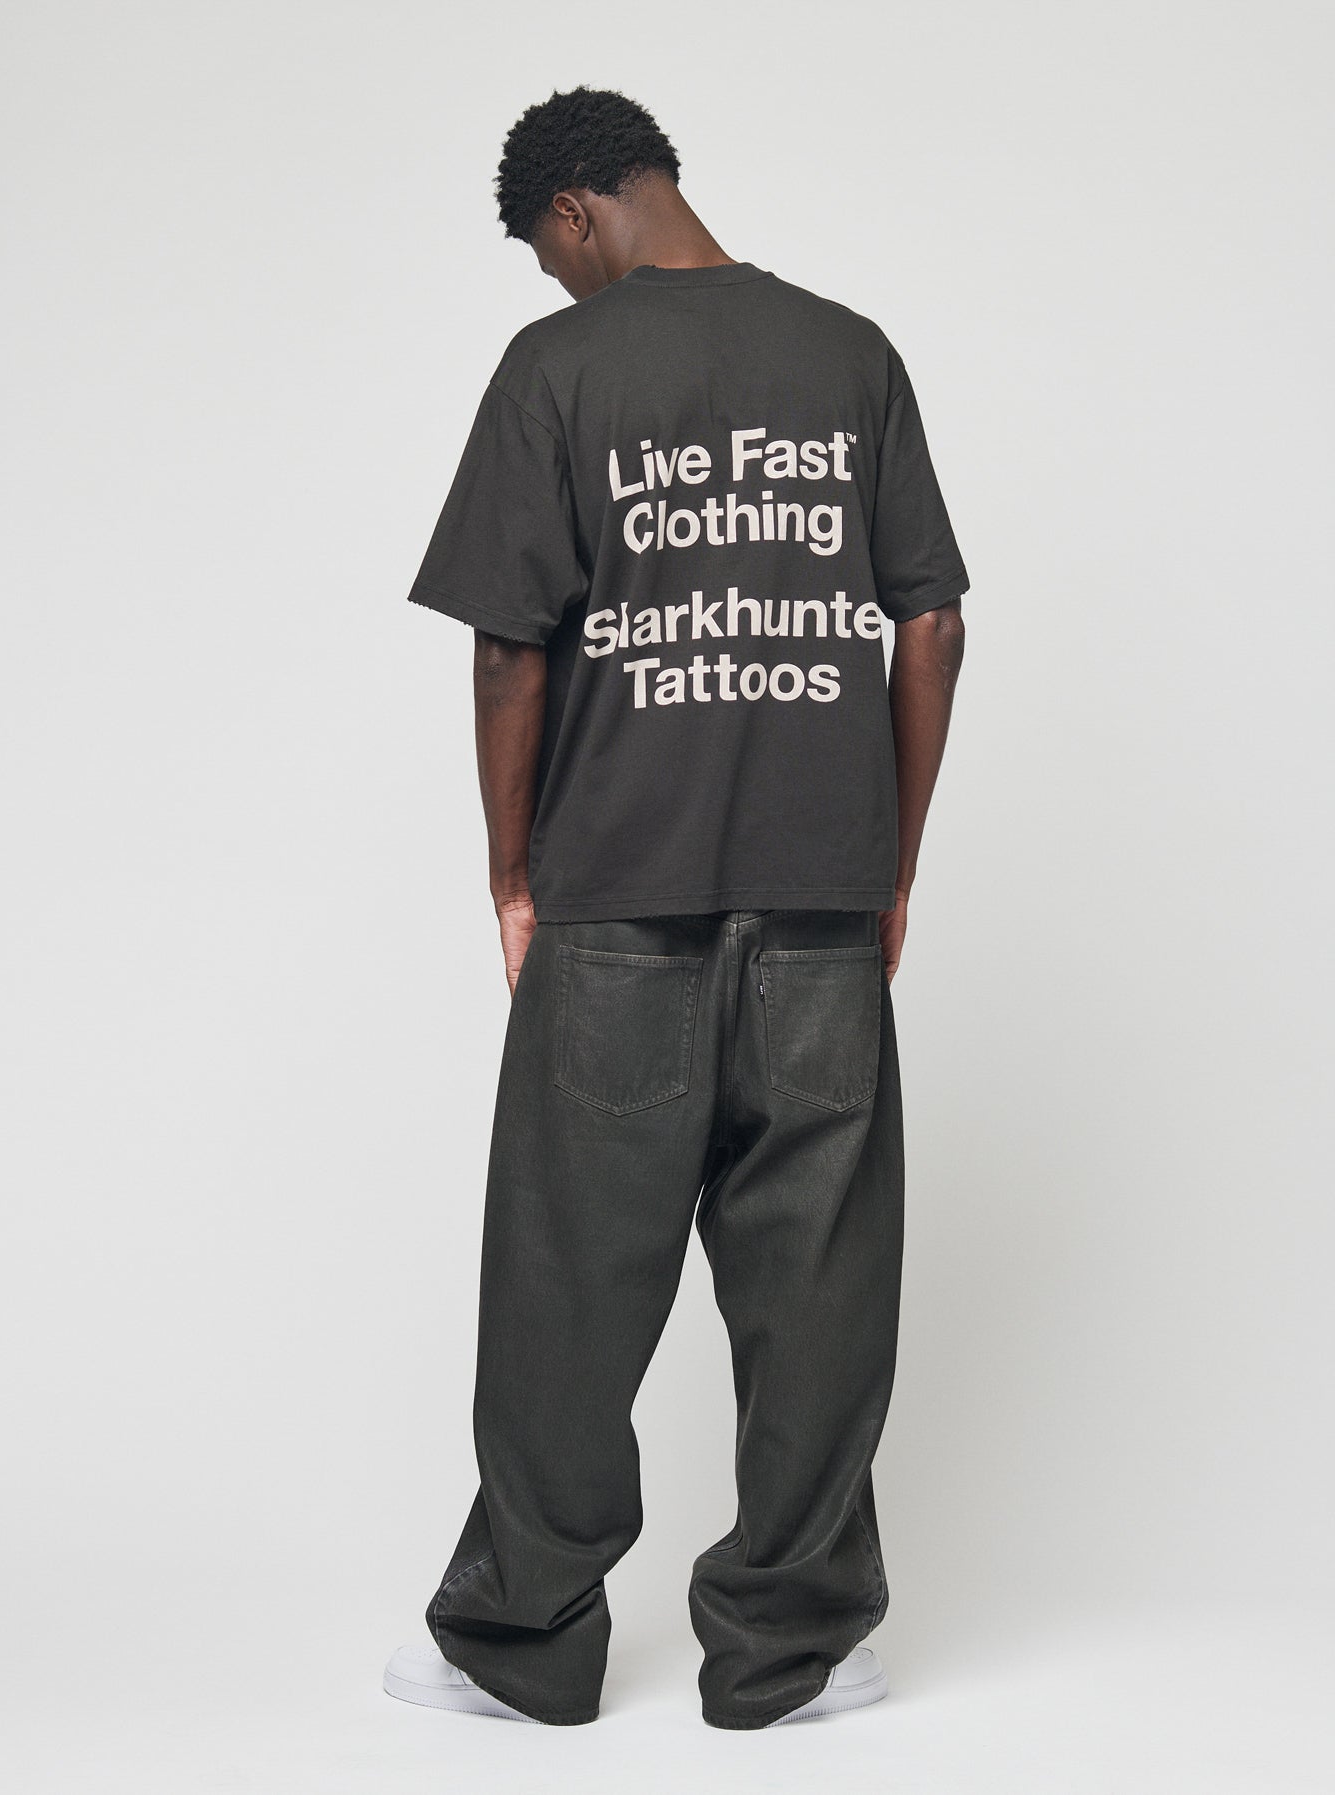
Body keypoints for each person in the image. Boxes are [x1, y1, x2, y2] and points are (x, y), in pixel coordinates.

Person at [383, 84, 969, 1731]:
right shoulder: (853, 354)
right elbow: (930, 625)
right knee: (822, 1289)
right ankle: (794, 1651)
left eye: (546, 260)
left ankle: (522, 1644)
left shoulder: (561, 370)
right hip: (821, 907)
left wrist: (512, 873)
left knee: (571, 1277)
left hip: (615, 903)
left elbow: (512, 646)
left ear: (575, 214)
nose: (556, 291)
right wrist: (894, 861)